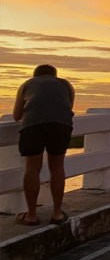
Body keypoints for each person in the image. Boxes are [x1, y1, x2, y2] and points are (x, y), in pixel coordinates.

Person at [12, 65, 75, 226]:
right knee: (57, 167)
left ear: (35, 75)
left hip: (33, 126)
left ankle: (31, 215)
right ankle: (57, 213)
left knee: (32, 167)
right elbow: (68, 108)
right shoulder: (66, 85)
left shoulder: (27, 84)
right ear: (55, 75)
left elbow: (16, 115)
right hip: (61, 125)